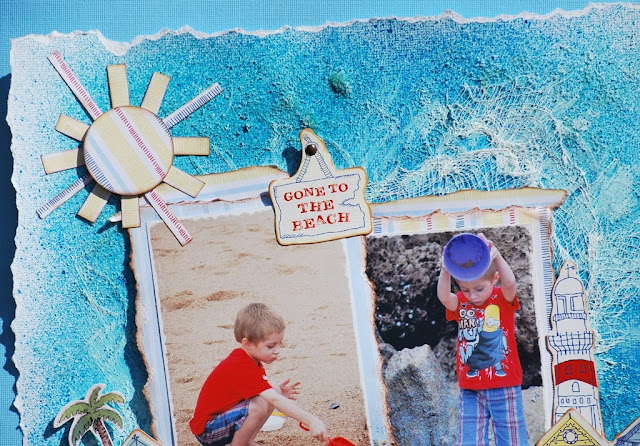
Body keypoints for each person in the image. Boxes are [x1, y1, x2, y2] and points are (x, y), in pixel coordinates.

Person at [190, 303, 330, 445]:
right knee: (259, 404)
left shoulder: (249, 360)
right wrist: (312, 421)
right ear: (247, 344)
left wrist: (278, 392)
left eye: (280, 344)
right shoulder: (240, 365)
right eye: (270, 346)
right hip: (207, 429)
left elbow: (270, 394)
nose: (277, 351)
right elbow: (273, 399)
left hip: (220, 420)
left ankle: (247, 440)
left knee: (273, 389)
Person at [437, 234, 529, 446]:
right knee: (468, 440)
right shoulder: (461, 302)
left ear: (494, 279)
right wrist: (445, 268)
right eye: (465, 290)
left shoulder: (501, 299)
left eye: (479, 289)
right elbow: (444, 297)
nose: (473, 296)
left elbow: (510, 282)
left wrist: (496, 257)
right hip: (470, 389)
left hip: (505, 385)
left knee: (512, 440)